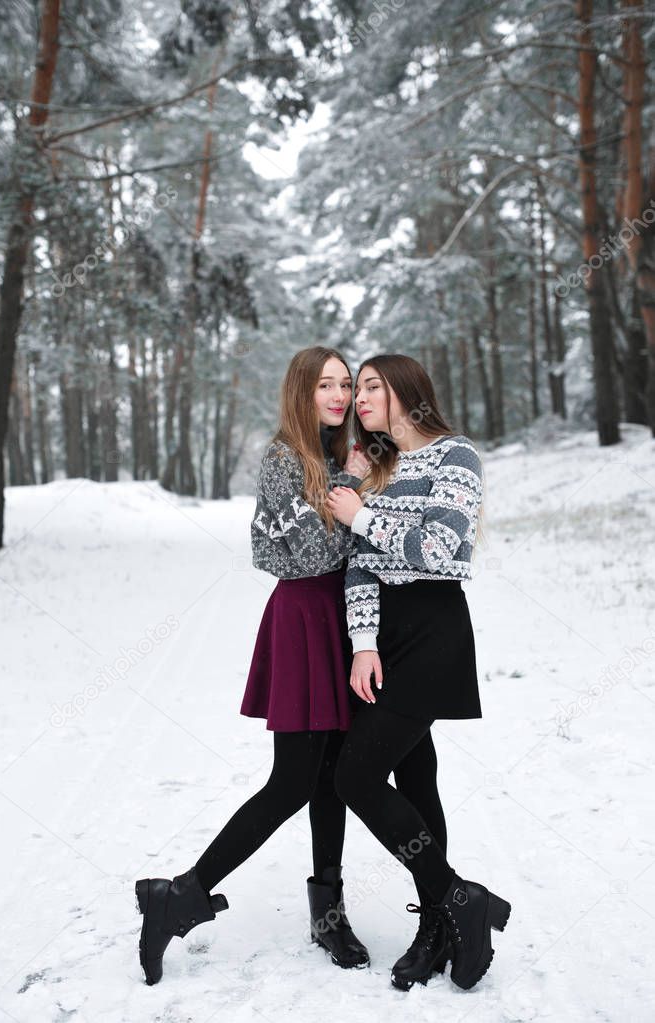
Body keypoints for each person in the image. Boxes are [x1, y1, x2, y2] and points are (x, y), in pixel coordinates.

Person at [134, 346, 372, 986]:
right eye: (326, 384)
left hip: (341, 621)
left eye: (345, 384)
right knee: (293, 779)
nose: (339, 395)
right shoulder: (285, 460)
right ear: (301, 389)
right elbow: (309, 554)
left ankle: (328, 911)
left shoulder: (326, 455)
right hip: (303, 622)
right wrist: (351, 491)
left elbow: (348, 543)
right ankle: (181, 895)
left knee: (332, 776)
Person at [326, 354, 511, 992]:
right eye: (359, 389)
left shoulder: (455, 456)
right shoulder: (374, 467)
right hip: (388, 639)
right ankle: (441, 920)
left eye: (373, 386)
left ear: (408, 392)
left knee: (356, 775)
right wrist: (363, 642)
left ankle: (457, 900)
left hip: (434, 630)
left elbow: (444, 549)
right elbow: (359, 564)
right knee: (416, 774)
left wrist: (363, 517)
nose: (361, 397)